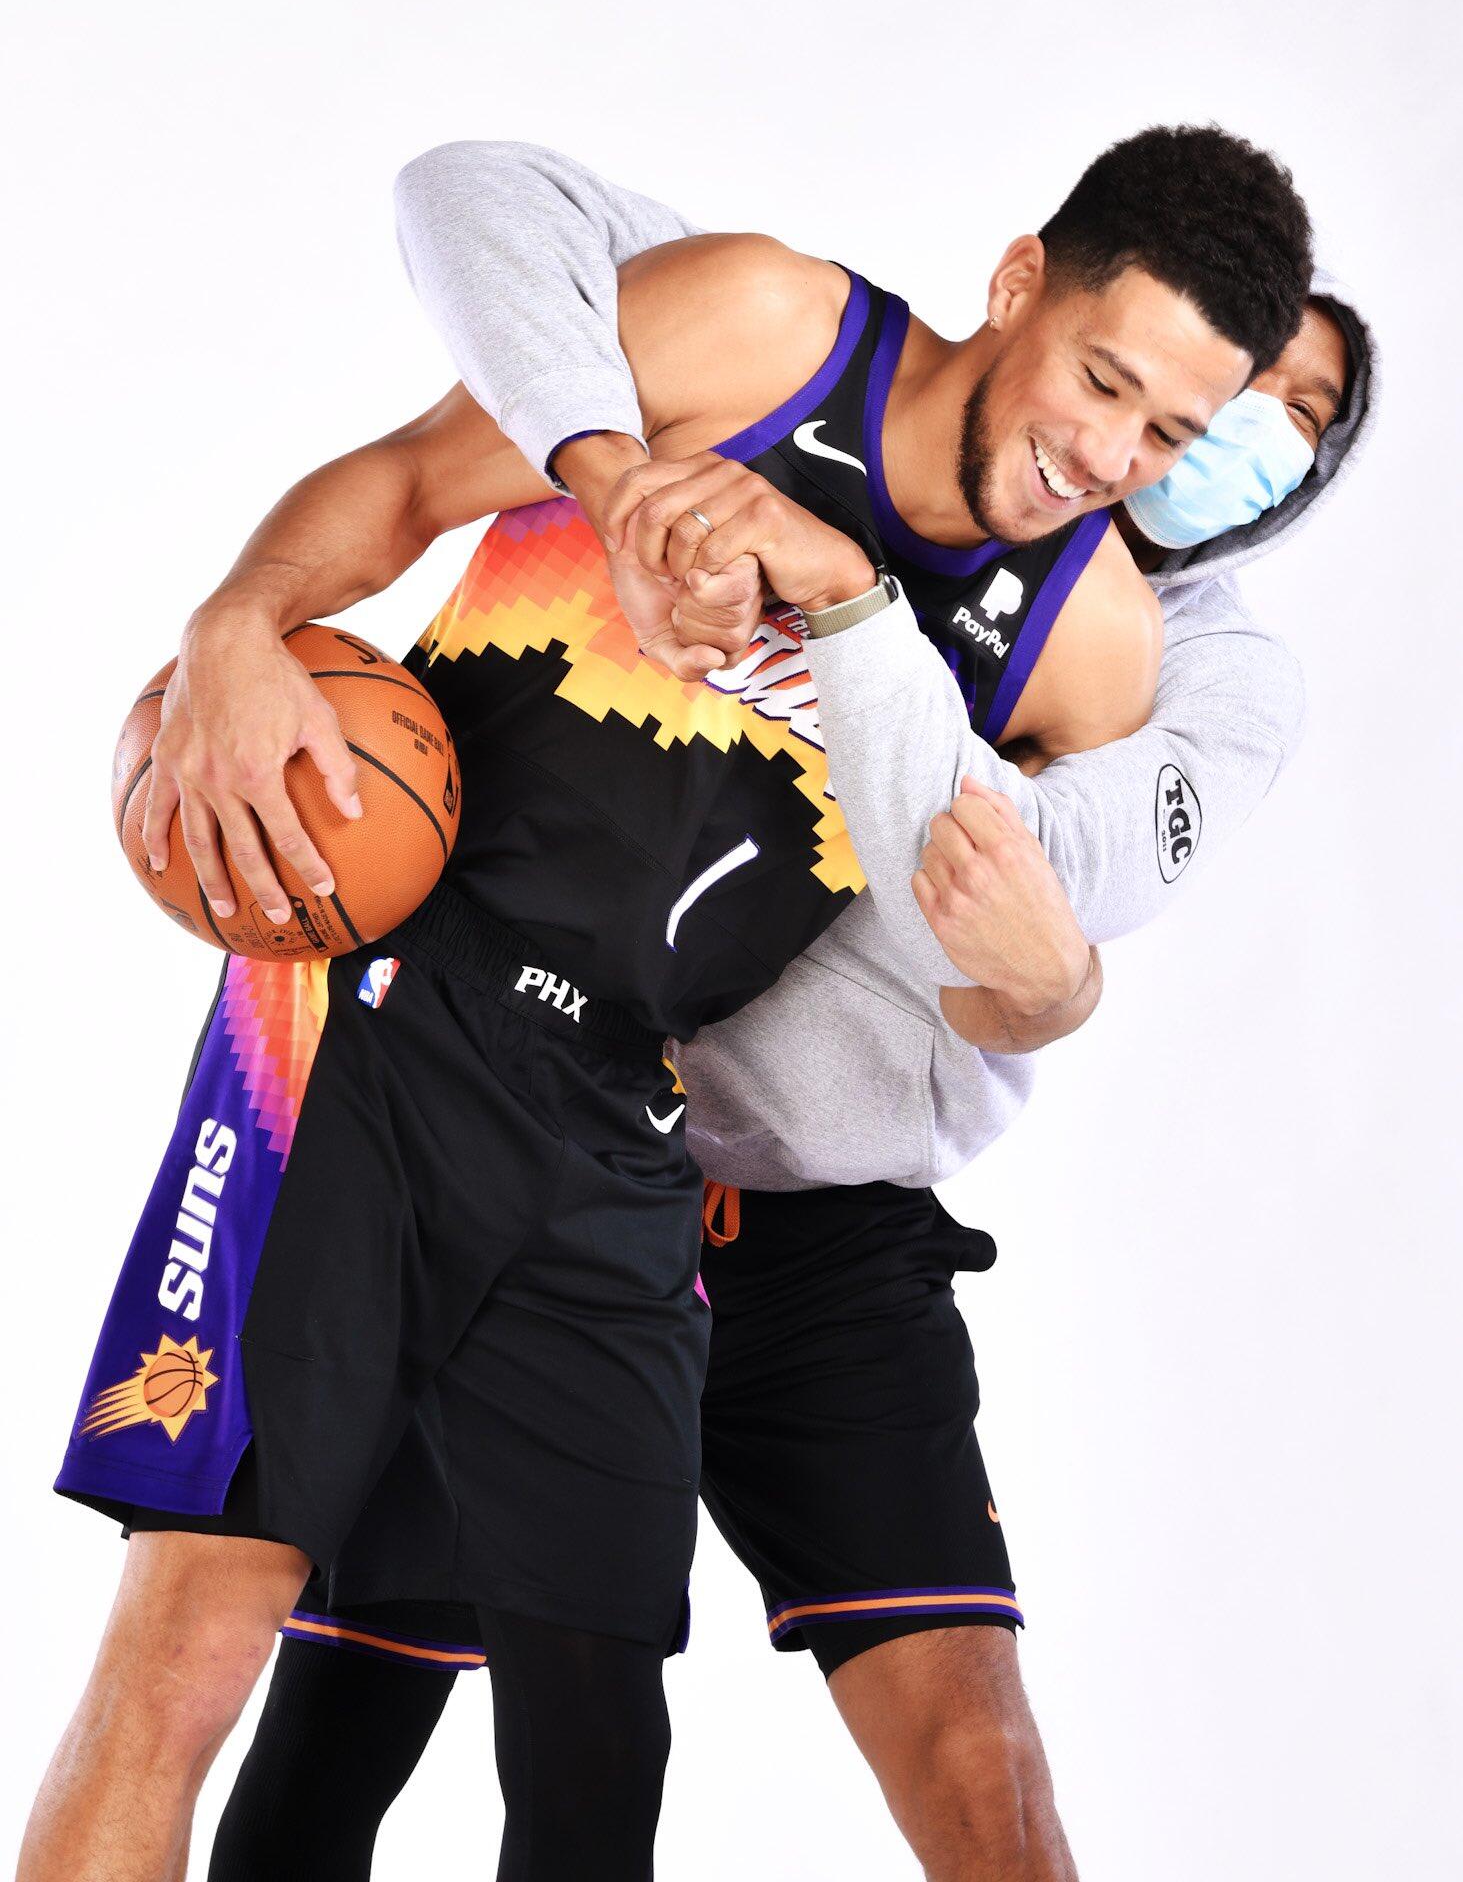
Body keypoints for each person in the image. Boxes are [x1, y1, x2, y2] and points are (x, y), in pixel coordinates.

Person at [23, 125, 1319, 1882]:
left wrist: (1054, 988)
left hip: (627, 1114)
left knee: (600, 1752)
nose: (1106, 456)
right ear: (1020, 282)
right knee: (188, 1650)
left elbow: (994, 969)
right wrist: (242, 619)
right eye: (1101, 380)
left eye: (1166, 434)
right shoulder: (769, 330)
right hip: (376, 1024)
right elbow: (406, 482)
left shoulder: (1089, 644)